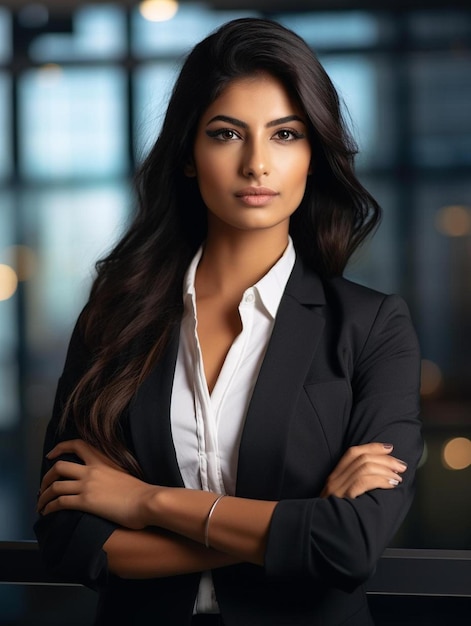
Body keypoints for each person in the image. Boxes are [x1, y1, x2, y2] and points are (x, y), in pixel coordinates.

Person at [35, 17, 422, 626]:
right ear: (189, 155)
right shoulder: (115, 317)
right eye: (226, 134)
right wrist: (291, 529)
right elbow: (68, 540)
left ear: (314, 155)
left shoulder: (371, 326)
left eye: (285, 134)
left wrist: (146, 502)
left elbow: (349, 545)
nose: (257, 165)